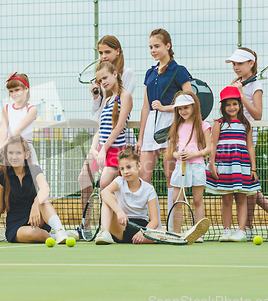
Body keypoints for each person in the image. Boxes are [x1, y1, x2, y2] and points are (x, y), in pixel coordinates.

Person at [226, 48, 268, 239]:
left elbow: (257, 114)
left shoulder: (256, 86)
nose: (236, 67)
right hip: (232, 135)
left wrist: (240, 94)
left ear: (251, 64)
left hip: (246, 136)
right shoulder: (238, 83)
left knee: (246, 182)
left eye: (240, 64)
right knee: (244, 182)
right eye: (234, 64)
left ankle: (250, 226)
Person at [135, 28, 194, 228]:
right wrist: (141, 137)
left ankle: (171, 225)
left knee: (171, 175)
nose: (153, 50)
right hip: (152, 125)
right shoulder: (149, 73)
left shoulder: (179, 70)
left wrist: (167, 108)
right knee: (144, 174)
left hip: (171, 124)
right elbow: (145, 107)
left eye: (157, 46)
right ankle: (150, 223)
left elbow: (191, 99)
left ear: (168, 46)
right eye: (150, 47)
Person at [95, 146, 210, 245]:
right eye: (122, 168)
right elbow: (104, 192)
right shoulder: (119, 181)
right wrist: (120, 212)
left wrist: (143, 232)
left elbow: (154, 220)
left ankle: (185, 235)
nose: (125, 171)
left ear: (139, 166)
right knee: (109, 197)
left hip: (141, 229)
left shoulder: (149, 189)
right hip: (120, 227)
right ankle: (104, 233)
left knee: (162, 233)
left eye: (129, 167)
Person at [79, 36, 137, 230]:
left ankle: (115, 225)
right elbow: (98, 115)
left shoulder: (126, 75)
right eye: (100, 53)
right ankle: (86, 225)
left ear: (118, 51)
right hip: (102, 145)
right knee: (84, 178)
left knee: (112, 184)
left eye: (107, 52)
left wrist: (103, 148)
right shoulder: (105, 91)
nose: (103, 56)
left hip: (118, 146)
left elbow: (120, 117)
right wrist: (96, 95)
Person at [0, 135, 76, 244]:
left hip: (37, 219)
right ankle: (53, 236)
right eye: (10, 153)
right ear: (6, 155)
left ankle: (60, 231)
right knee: (33, 233)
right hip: (17, 226)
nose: (14, 157)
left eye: (18, 153)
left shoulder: (34, 169)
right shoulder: (0, 175)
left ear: (26, 154)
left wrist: (35, 204)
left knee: (43, 201)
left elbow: (45, 188)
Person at [205, 86, 261, 242]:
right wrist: (212, 163)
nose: (231, 107)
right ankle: (227, 230)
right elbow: (213, 144)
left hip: (241, 166)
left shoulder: (246, 124)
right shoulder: (219, 124)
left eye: (235, 104)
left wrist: (253, 168)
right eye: (228, 104)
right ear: (223, 106)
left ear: (240, 105)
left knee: (242, 199)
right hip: (224, 166)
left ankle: (241, 231)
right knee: (226, 199)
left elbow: (250, 147)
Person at [164, 91, 211, 242]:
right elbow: (172, 150)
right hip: (180, 167)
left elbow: (209, 148)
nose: (183, 111)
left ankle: (198, 234)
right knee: (177, 201)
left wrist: (193, 154)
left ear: (193, 107)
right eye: (180, 108)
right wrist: (178, 155)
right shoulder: (176, 126)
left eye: (186, 107)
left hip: (197, 167)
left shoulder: (204, 125)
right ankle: (177, 234)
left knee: (198, 200)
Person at [88, 62, 132, 190]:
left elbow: (119, 127)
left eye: (105, 78)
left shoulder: (125, 96)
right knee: (103, 187)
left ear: (115, 74)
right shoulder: (107, 100)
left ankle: (116, 211)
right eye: (100, 80)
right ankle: (107, 210)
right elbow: (100, 129)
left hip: (115, 151)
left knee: (104, 184)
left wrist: (104, 149)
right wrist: (93, 148)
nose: (103, 82)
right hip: (103, 150)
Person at [0, 72, 38, 165]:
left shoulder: (32, 109)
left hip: (25, 150)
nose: (14, 93)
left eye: (17, 90)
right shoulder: (6, 108)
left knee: (29, 178)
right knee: (5, 178)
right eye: (11, 91)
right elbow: (3, 128)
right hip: (10, 150)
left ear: (26, 89)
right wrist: (2, 148)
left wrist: (3, 145)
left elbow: (18, 129)